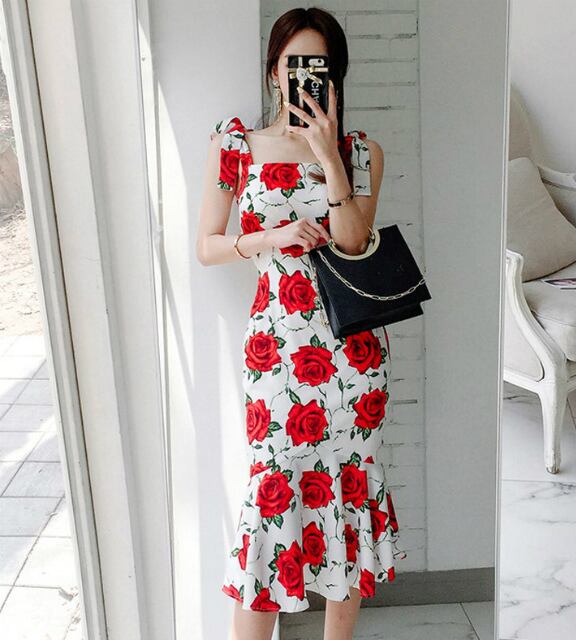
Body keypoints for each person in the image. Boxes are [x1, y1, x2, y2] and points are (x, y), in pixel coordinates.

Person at [196, 7, 406, 640]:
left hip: (353, 356)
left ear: (336, 76)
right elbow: (207, 245)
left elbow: (354, 240)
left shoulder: (361, 152)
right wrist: (272, 237)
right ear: (273, 71)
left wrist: (328, 156)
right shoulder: (236, 144)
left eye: (319, 65)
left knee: (350, 495)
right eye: (294, 64)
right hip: (276, 349)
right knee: (271, 498)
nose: (305, 76)